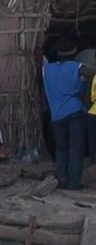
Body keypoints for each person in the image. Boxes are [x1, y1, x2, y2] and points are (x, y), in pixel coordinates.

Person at [42, 37, 95, 190]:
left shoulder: (48, 70)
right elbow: (92, 73)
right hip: (76, 111)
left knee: (61, 148)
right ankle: (74, 184)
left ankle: (62, 179)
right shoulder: (77, 67)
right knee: (76, 149)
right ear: (74, 54)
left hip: (57, 115)